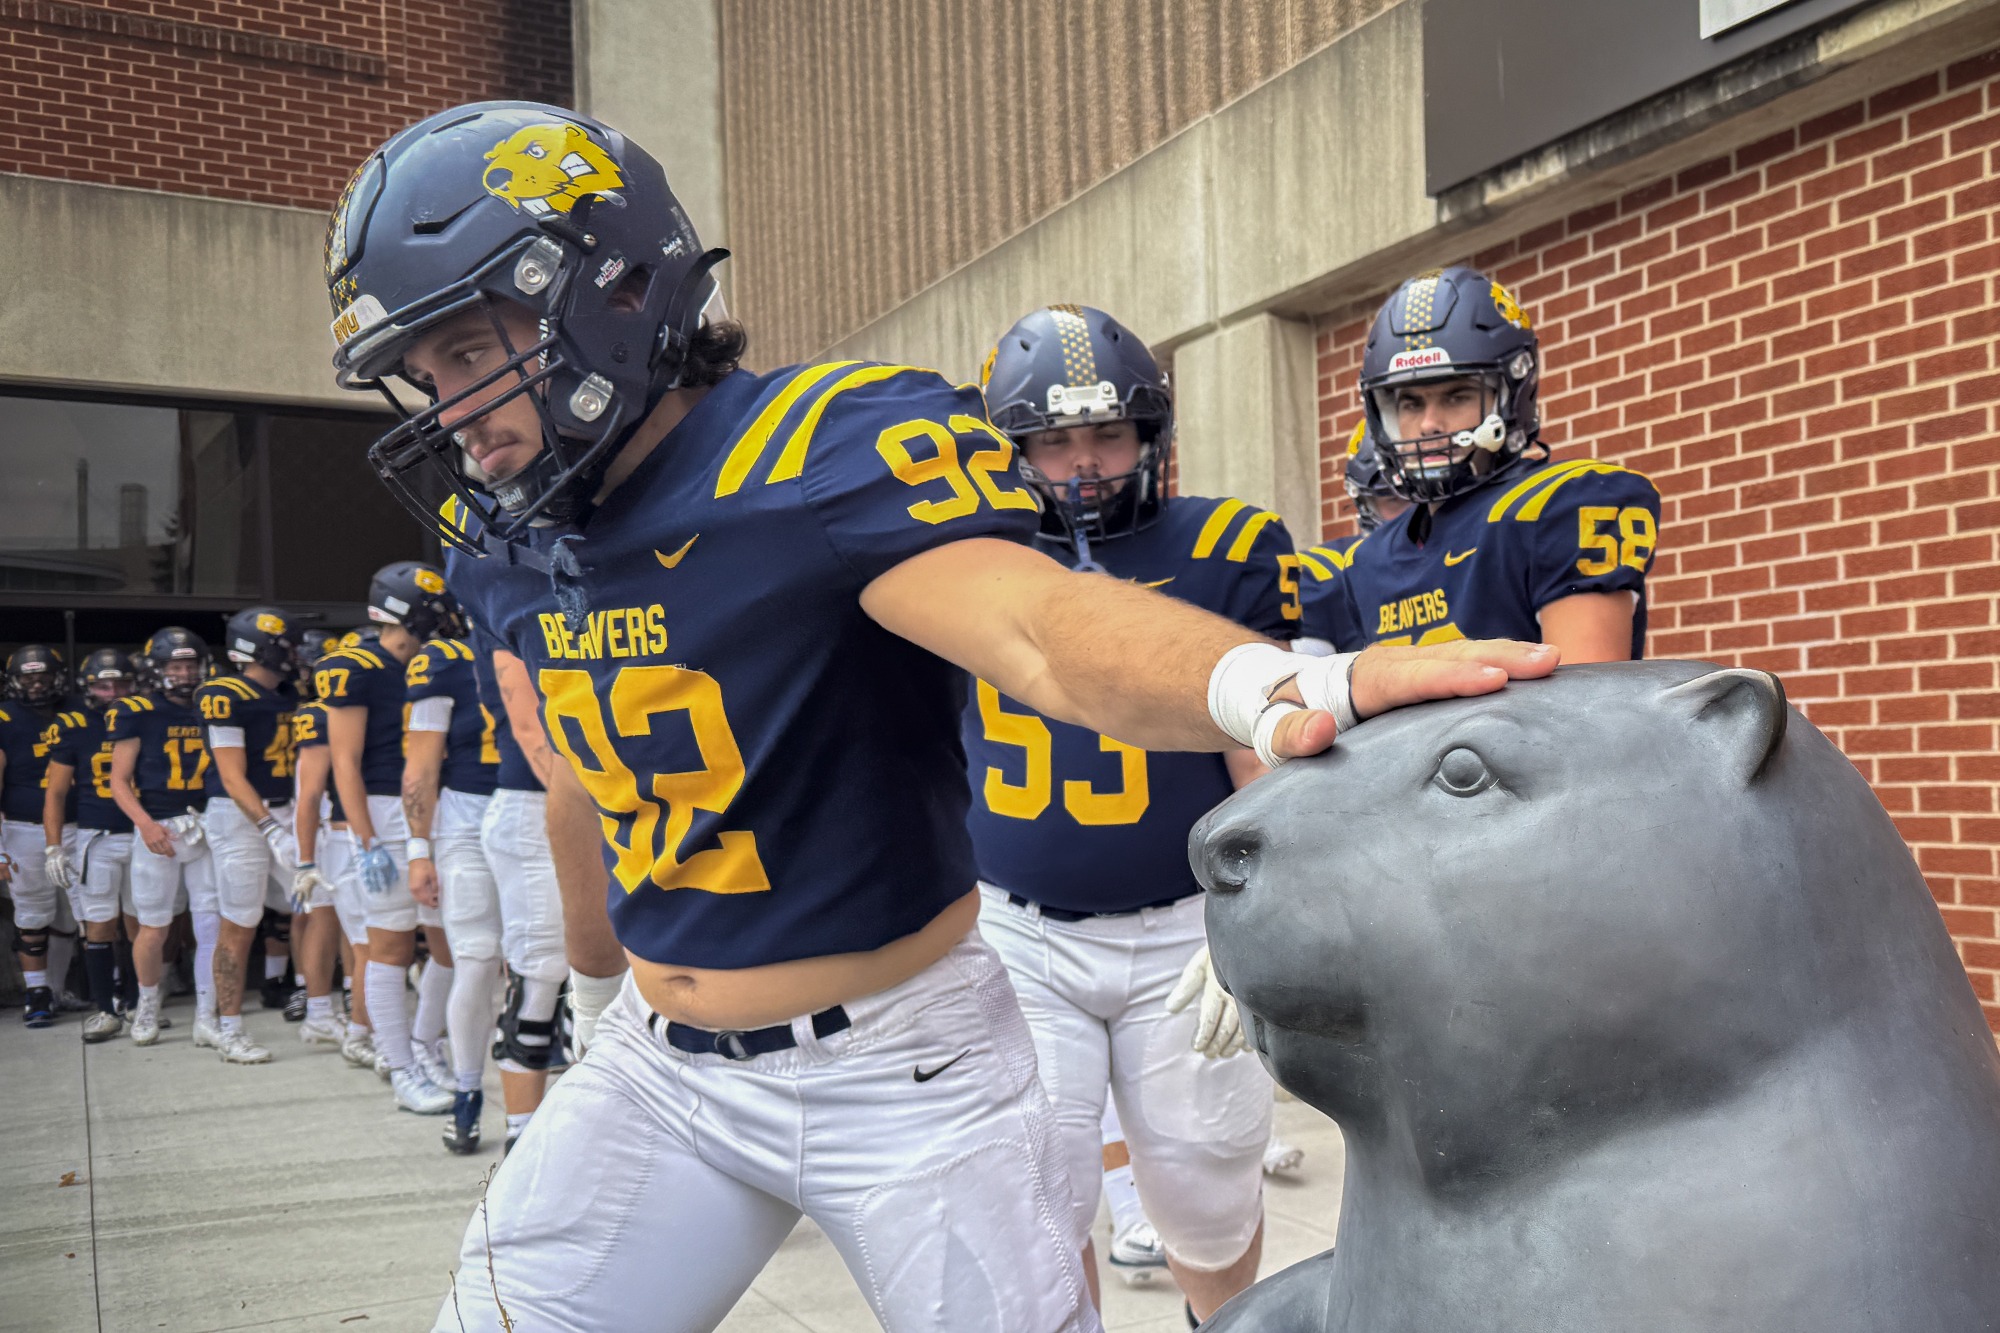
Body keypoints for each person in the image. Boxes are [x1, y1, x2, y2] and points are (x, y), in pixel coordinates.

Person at [323, 101, 1551, 1332]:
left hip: (899, 1068)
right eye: (422, 377)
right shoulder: (509, 547)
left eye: (471, 355)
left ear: (610, 293)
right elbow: (575, 779)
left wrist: (1269, 684)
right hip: (657, 1061)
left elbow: (1039, 629)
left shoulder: (813, 447)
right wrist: (593, 999)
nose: (451, 414)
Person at [965, 304, 1292, 1321]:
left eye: (1106, 432)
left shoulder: (1224, 542)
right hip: (1017, 929)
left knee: (1207, 1192)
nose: (1083, 463)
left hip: (1183, 927)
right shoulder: (966, 559)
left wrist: (1263, 909)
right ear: (1010, 449)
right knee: (1035, 1196)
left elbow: (1263, 749)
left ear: (1150, 433)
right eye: (1053, 441)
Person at [1299, 267, 1661, 663]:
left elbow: (1585, 709)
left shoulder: (1559, 505)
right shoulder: (1368, 559)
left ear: (1511, 394)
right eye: (1410, 403)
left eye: (1456, 396)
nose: (1429, 424)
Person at [320, 563, 461, 1113]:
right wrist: (366, 840)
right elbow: (344, 763)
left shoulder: (437, 663)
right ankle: (400, 1066)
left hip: (432, 808)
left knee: (451, 945)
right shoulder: (357, 666)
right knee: (390, 946)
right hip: (381, 809)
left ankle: (424, 1046)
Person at [400, 627, 503, 1152]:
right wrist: (419, 849)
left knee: (552, 963)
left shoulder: (542, 625)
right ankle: (468, 1092)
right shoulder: (442, 659)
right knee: (478, 957)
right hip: (466, 813)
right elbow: (421, 763)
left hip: (537, 808)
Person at [192, 607, 304, 1065]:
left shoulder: (287, 694)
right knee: (238, 921)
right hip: (242, 816)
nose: (295, 654)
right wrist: (269, 826)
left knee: (316, 905)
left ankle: (318, 1007)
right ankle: (228, 1026)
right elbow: (232, 776)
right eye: (289, 645)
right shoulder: (224, 693)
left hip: (285, 808)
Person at [106, 629, 215, 1046]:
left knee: (209, 924)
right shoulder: (137, 711)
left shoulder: (213, 704)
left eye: (190, 665)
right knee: (153, 927)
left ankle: (207, 1011)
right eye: (176, 666)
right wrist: (146, 824)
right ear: (158, 670)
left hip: (206, 823)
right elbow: (119, 782)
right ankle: (148, 1004)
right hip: (159, 825)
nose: (185, 673)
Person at [43, 649, 141, 1042]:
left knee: (142, 924)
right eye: (104, 684)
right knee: (98, 925)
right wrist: (53, 845)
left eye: (120, 684)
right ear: (88, 688)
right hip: (97, 836)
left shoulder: (144, 716)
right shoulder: (74, 725)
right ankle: (105, 1009)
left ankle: (137, 1004)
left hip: (141, 832)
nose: (112, 691)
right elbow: (55, 792)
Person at [288, 664, 365, 1053]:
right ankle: (320, 1009)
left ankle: (354, 1001)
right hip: (326, 827)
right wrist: (305, 856)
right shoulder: (318, 714)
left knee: (357, 928)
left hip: (347, 823)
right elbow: (309, 790)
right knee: (323, 917)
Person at [0, 645, 78, 1026]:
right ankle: (36, 994)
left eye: (43, 676)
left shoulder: (76, 710)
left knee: (70, 916)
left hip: (78, 826)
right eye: (28, 677)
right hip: (24, 828)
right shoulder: (4, 718)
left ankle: (57, 989)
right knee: (32, 916)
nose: (36, 683)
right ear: (14, 680)